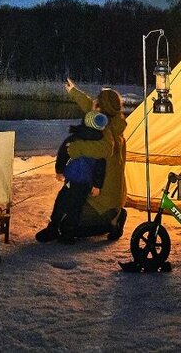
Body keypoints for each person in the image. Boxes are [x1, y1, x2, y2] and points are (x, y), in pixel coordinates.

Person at [36, 78, 128, 243]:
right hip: (110, 196)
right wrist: (74, 91)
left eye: (98, 102)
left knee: (68, 224)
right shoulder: (111, 123)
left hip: (103, 200)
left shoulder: (105, 129)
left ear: (102, 106)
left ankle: (114, 220)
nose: (95, 104)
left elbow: (106, 149)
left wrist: (77, 149)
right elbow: (90, 108)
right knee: (68, 202)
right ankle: (112, 215)